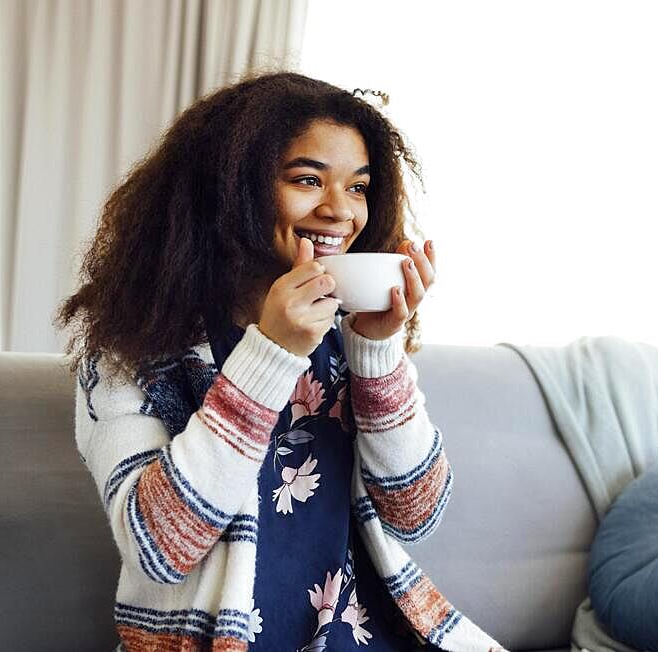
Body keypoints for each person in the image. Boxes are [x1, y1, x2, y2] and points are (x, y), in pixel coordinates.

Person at [56, 72, 506, 652]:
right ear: (230, 188)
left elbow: (415, 516)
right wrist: (270, 355)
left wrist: (377, 350)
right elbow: (156, 552)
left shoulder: (346, 335)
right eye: (307, 179)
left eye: (359, 187)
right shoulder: (129, 353)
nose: (340, 211)